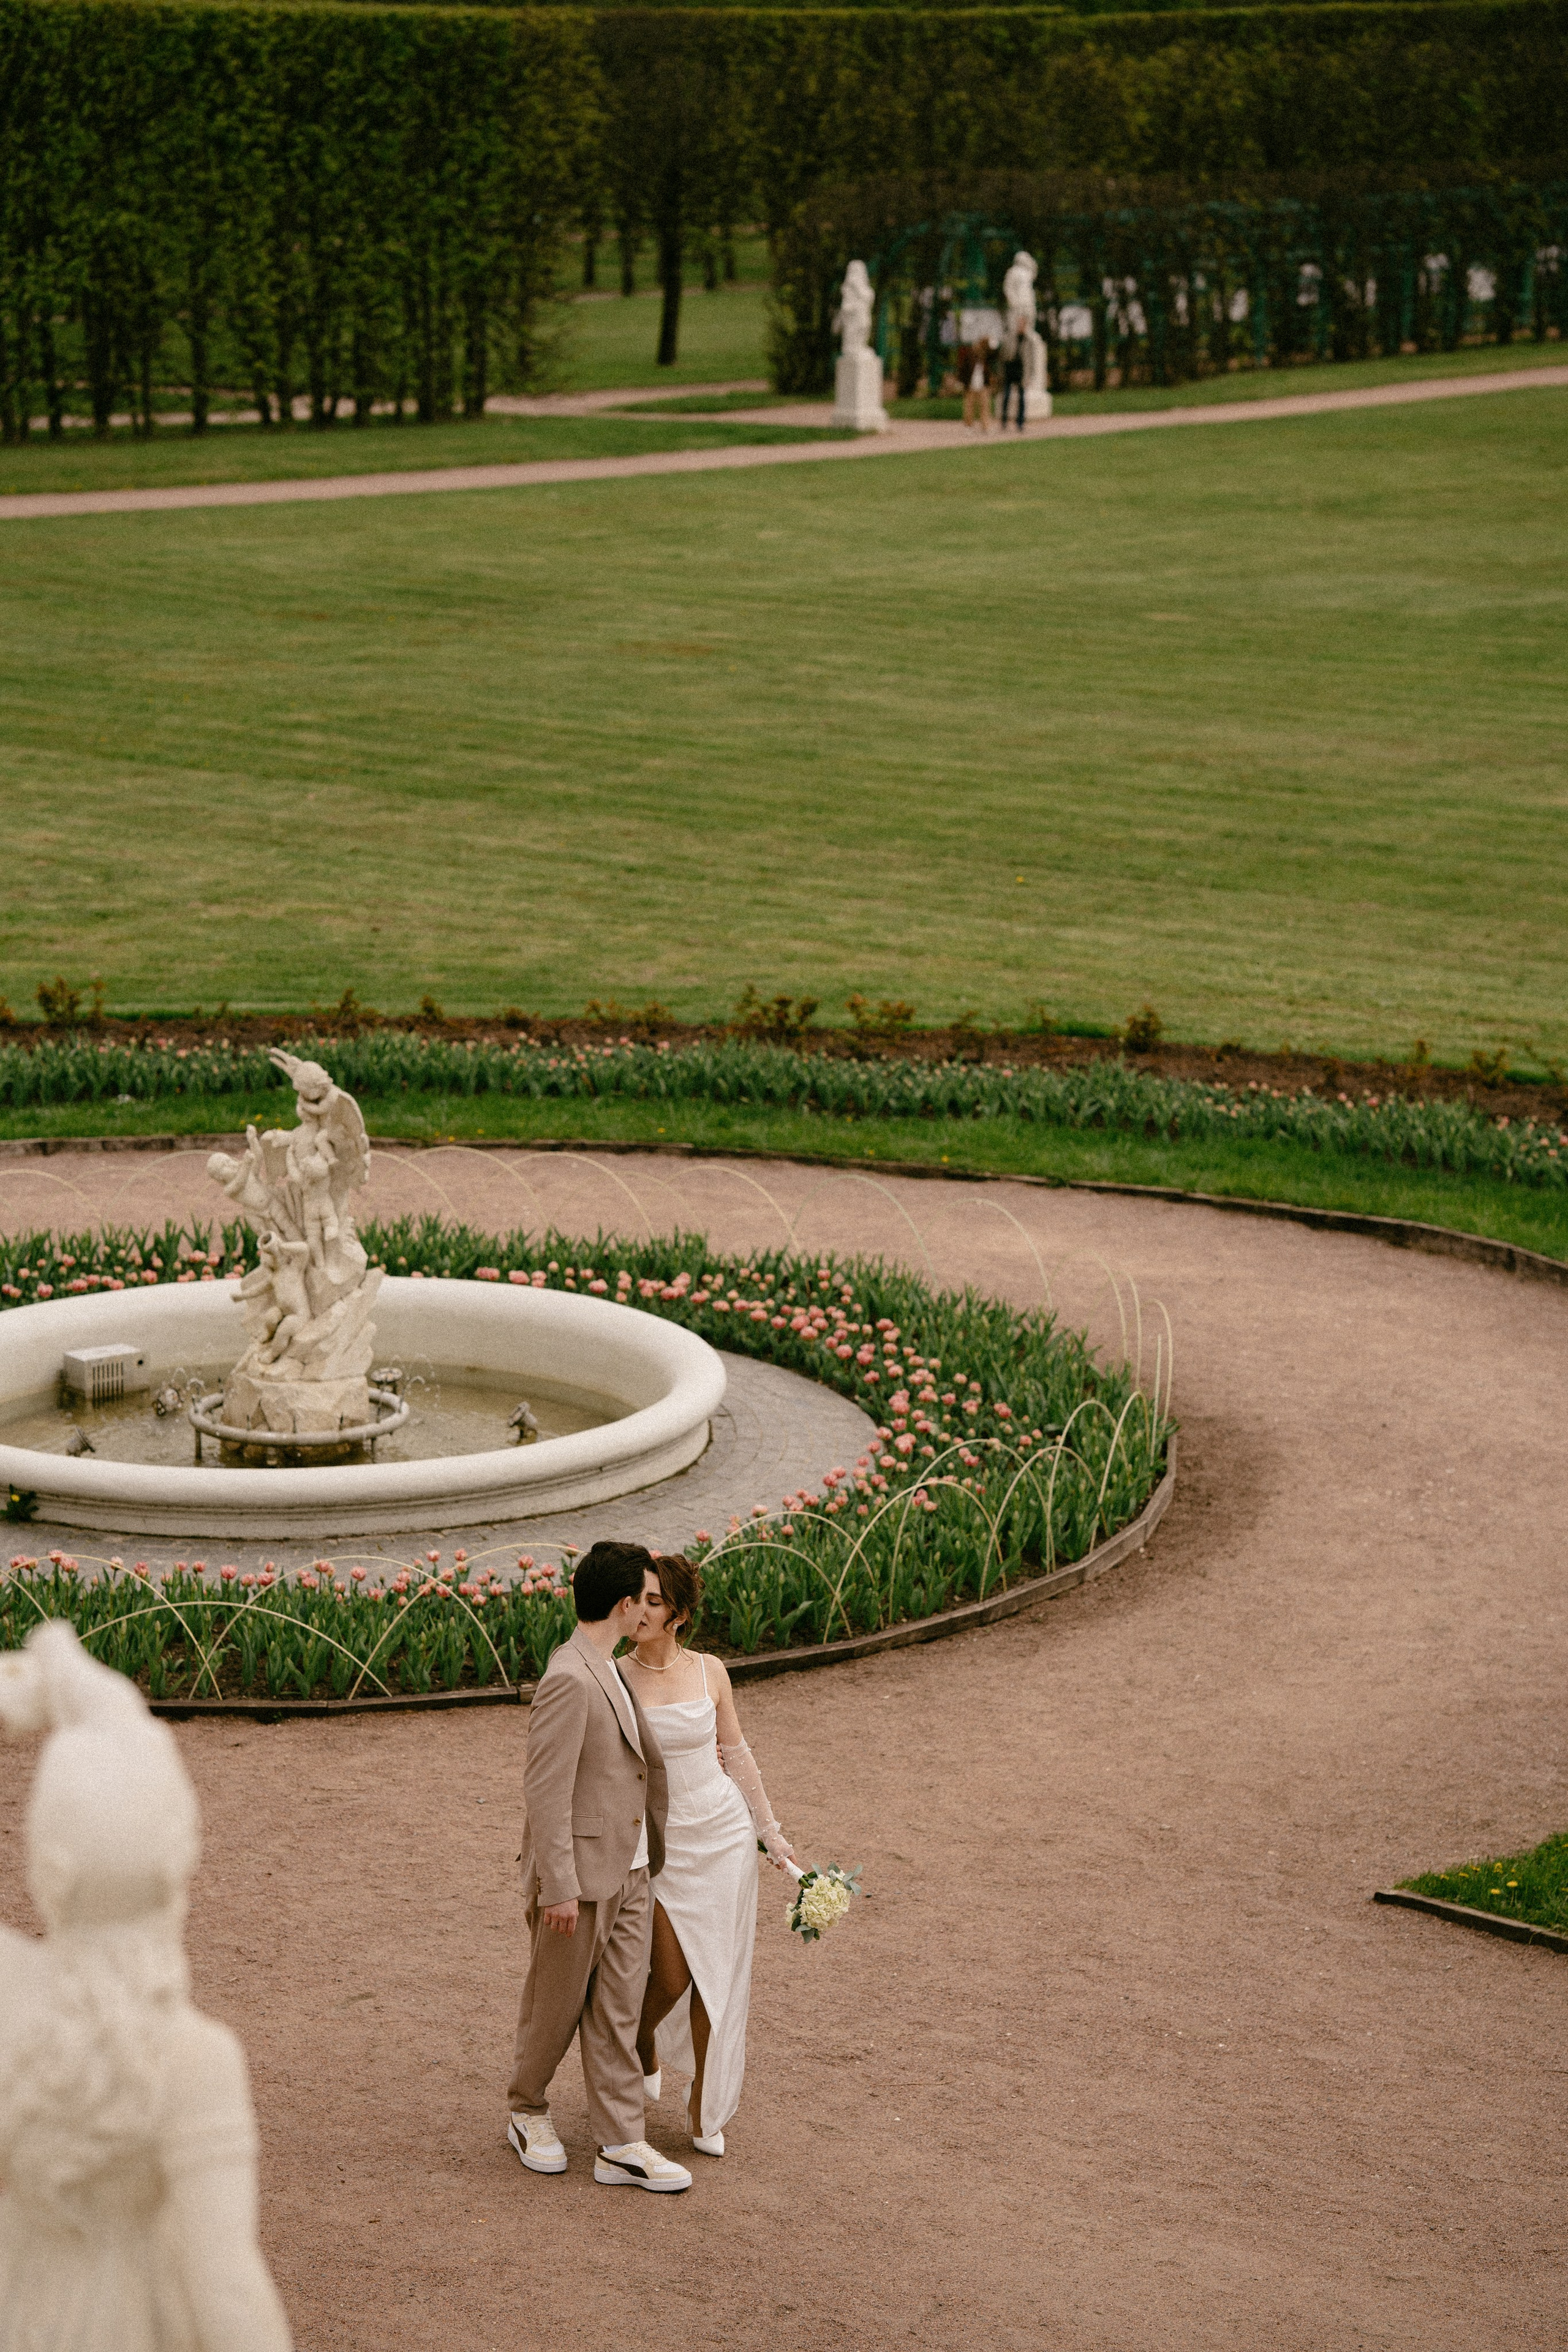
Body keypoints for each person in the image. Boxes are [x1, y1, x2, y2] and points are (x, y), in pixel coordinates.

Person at [0, 1621, 293, 2352]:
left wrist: (46, 1668)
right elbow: (227, 2288)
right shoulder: (193, 2060)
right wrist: (63, 1667)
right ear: (178, 1861)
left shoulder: (9, 1992)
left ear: (46, 1867)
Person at [506, 1541, 691, 2192]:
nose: (649, 1608)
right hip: (579, 1882)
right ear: (622, 1603)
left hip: (632, 1871)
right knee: (554, 2007)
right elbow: (545, 1791)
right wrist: (558, 1886)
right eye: (643, 1597)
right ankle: (526, 2110)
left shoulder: (609, 1667)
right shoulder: (569, 1677)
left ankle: (620, 2143)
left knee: (618, 2009)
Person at [622, 1553, 796, 2160]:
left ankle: (703, 2109)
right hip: (664, 1847)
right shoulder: (613, 1675)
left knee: (713, 1980)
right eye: (635, 1598)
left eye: (652, 1601)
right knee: (669, 1973)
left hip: (723, 1838)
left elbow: (737, 1754)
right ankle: (639, 2042)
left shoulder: (710, 1671)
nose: (638, 1610)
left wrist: (770, 1834)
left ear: (679, 1615)